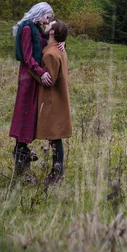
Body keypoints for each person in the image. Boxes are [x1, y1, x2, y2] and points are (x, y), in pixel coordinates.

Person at [9, 2, 54, 175]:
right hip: (29, 76)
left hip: (33, 77)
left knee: (31, 114)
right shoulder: (28, 29)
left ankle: (23, 153)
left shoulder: (35, 28)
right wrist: (41, 72)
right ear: (40, 13)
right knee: (25, 113)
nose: (47, 21)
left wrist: (61, 43)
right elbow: (27, 57)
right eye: (47, 17)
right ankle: (21, 154)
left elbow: (48, 40)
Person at [35, 20, 72, 183]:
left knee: (55, 137)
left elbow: (48, 80)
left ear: (52, 32)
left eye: (49, 25)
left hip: (53, 101)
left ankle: (57, 174)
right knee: (55, 138)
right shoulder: (59, 50)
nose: (46, 24)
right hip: (58, 99)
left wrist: (33, 70)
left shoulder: (51, 54)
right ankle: (57, 171)